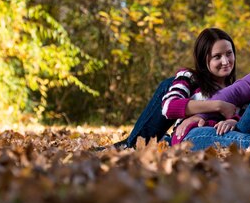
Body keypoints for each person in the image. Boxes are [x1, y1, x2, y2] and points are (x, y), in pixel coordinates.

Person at [100, 28, 239, 149]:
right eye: (217, 57)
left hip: (211, 141)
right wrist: (218, 106)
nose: (226, 61)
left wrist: (232, 120)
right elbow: (169, 107)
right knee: (169, 83)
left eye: (229, 53)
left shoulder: (239, 88)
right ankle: (132, 144)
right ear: (204, 59)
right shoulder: (189, 77)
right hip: (182, 139)